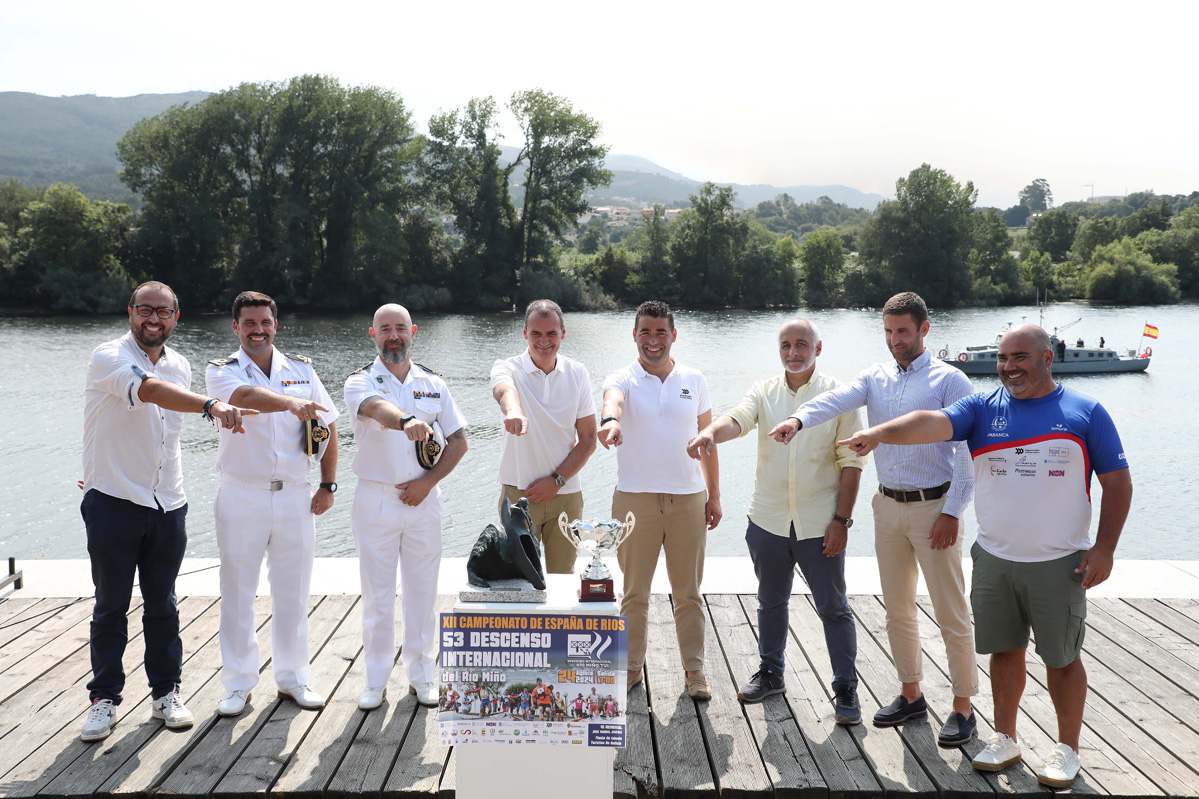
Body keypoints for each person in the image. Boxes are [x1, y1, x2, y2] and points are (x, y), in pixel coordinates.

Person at [837, 324, 1132, 788]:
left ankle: (1067, 749)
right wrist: (877, 433)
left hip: (1059, 562)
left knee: (1062, 659)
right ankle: (1006, 738)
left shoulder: (1086, 412)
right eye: (1002, 358)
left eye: (1020, 357)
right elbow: (929, 422)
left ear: (1048, 358)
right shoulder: (981, 408)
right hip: (994, 558)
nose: (1009, 367)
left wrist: (1105, 549)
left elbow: (1118, 484)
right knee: (1003, 651)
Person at [768, 292, 978, 746]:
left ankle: (964, 707)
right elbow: (836, 399)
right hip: (887, 507)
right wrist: (799, 420)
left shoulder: (952, 380)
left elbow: (967, 455)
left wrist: (952, 512)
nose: (894, 340)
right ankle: (911, 695)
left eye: (903, 331)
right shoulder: (875, 377)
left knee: (950, 612)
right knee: (898, 611)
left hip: (933, 508)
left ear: (924, 328)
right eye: (887, 331)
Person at [80, 281, 253, 742]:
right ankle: (104, 700)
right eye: (144, 310)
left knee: (163, 604)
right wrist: (213, 405)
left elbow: (165, 431)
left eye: (163, 311)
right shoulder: (108, 355)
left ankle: (165, 693)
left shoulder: (181, 364)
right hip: (114, 498)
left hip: (168, 502)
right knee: (110, 606)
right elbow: (151, 392)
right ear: (130, 312)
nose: (153, 318)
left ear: (176, 317)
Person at [687, 318, 864, 723]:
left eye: (802, 344)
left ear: (818, 349)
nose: (793, 352)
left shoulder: (840, 396)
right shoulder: (763, 392)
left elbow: (852, 463)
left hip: (821, 524)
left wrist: (843, 520)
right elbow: (738, 419)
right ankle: (771, 673)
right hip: (766, 521)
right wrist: (710, 433)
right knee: (770, 603)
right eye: (785, 344)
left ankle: (845, 688)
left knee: (834, 608)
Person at [206, 291, 339, 717]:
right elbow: (244, 398)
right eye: (249, 323)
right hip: (242, 493)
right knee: (238, 592)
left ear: (275, 325)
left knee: (293, 593)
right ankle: (238, 684)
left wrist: (329, 485)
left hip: (297, 495)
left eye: (265, 322)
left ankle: (293, 679)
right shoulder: (220, 371)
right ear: (236, 328)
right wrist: (290, 403)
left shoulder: (302, 369)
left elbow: (329, 426)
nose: (258, 330)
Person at [344, 304, 468, 711]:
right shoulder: (359, 381)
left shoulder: (434, 382)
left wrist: (426, 483)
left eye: (400, 328)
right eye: (385, 329)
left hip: (423, 500)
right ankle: (376, 681)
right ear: (372, 334)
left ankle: (422, 676)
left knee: (422, 593)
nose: (393, 335)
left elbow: (458, 441)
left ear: (413, 331)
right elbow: (376, 409)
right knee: (377, 597)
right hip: (375, 498)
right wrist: (406, 420)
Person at [599, 300, 721, 699]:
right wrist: (611, 421)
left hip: (689, 500)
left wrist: (714, 495)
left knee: (688, 593)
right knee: (634, 593)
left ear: (673, 335)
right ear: (634, 335)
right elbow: (611, 402)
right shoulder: (622, 377)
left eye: (661, 332)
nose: (653, 340)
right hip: (635, 502)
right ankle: (631, 667)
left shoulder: (695, 378)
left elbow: (708, 441)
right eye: (645, 332)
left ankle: (695, 671)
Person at [491, 300, 597, 573]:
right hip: (518, 494)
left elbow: (588, 439)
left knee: (563, 579)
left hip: (566, 494)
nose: (544, 341)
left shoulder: (578, 372)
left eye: (551, 333)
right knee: (517, 579)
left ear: (563, 332)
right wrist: (513, 411)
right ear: (524, 332)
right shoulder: (507, 367)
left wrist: (556, 481)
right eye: (536, 333)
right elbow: (504, 390)